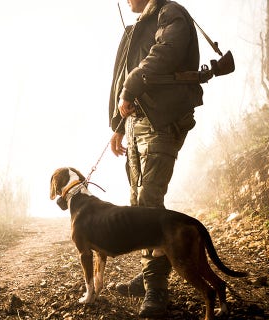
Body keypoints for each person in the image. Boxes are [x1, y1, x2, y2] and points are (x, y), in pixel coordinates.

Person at [108, 0, 203, 318]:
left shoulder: (170, 12)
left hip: (162, 123)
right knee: (139, 204)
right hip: (136, 125)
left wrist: (130, 86)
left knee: (148, 201)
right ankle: (151, 273)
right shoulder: (138, 27)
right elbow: (123, 81)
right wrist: (118, 125)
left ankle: (156, 289)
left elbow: (167, 52)